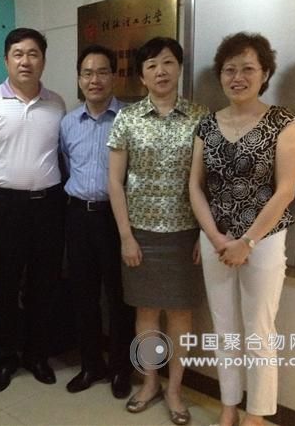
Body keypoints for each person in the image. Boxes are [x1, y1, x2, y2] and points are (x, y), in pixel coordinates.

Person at [189, 33, 295, 426]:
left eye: (248, 69)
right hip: (215, 240)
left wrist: (248, 241)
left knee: (259, 330)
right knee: (223, 329)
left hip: (263, 240)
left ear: (265, 73)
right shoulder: (207, 124)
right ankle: (228, 406)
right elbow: (195, 186)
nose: (237, 77)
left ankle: (256, 415)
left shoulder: (282, 121)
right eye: (229, 70)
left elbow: (286, 190)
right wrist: (216, 238)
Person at [107, 37, 209, 425]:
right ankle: (150, 382)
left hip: (185, 233)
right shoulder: (127, 118)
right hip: (141, 234)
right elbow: (115, 182)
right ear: (142, 76)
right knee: (146, 313)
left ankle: (175, 389)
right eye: (151, 65)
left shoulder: (201, 117)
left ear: (179, 68)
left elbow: (208, 182)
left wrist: (204, 233)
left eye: (167, 62)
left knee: (181, 315)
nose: (160, 71)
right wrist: (126, 236)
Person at [0, 28, 66, 392]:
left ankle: (37, 355)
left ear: (43, 60)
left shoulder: (57, 104)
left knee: (44, 283)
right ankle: (6, 358)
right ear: (6, 59)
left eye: (33, 54)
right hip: (4, 205)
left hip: (48, 204)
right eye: (18, 54)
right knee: (5, 285)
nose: (26, 61)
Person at [60, 44, 134, 399]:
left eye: (102, 72)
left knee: (120, 298)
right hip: (77, 216)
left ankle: (121, 368)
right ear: (79, 79)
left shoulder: (130, 120)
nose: (95, 80)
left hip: (115, 219)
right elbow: (65, 165)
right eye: (87, 73)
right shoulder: (67, 123)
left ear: (113, 76)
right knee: (83, 295)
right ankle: (91, 365)